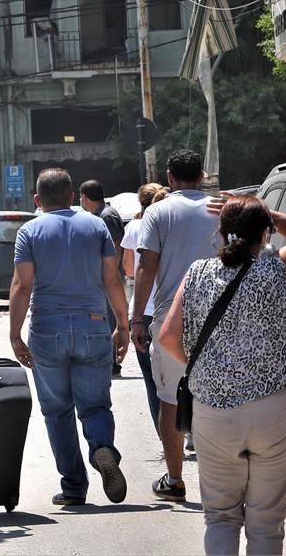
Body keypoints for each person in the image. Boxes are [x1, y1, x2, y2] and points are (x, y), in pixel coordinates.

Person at [158, 194, 286, 555]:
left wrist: (209, 368)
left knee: (221, 517)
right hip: (271, 408)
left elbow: (167, 337)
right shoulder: (276, 270)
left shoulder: (197, 273)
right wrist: (265, 211)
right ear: (265, 234)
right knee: (266, 520)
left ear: (220, 233)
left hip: (213, 412)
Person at [9, 168, 130, 507]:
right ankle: (102, 448)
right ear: (72, 197)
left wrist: (15, 334)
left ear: (37, 200)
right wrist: (121, 322)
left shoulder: (29, 231)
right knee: (95, 405)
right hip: (93, 327)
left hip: (47, 330)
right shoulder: (96, 226)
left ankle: (74, 486)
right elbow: (112, 278)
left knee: (57, 411)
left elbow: (22, 286)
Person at [130, 149, 221, 502]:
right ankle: (221, 478)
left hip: (172, 319)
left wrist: (138, 318)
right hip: (219, 316)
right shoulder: (220, 209)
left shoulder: (157, 211)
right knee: (218, 399)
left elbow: (146, 267)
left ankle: (175, 479)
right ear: (201, 176)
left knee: (169, 401)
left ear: (169, 177)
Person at [120, 182, 163, 433]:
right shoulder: (170, 222)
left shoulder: (135, 226)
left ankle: (165, 434)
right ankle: (188, 427)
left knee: (152, 379)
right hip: (173, 305)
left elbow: (128, 269)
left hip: (144, 310)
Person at [79, 180, 125, 376]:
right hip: (105, 276)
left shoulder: (106, 216)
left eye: (81, 196)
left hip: (108, 278)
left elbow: (116, 247)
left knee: (108, 319)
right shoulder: (101, 214)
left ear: (85, 197)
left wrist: (109, 275)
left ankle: (112, 361)